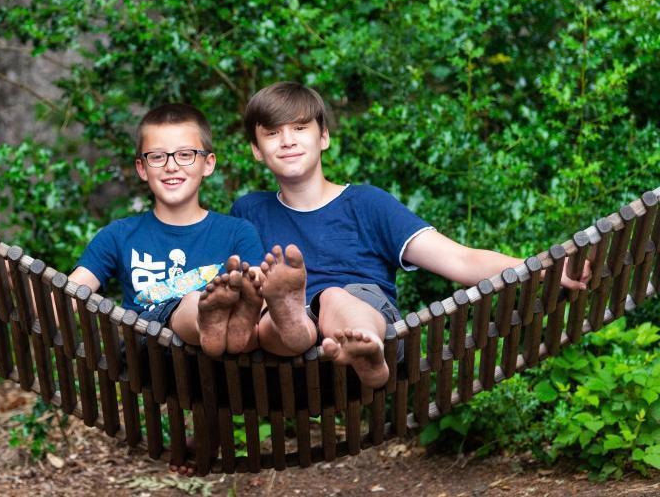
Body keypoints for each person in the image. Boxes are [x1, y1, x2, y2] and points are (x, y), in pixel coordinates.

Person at [231, 81, 590, 388]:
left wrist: (546, 268)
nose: (287, 141)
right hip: (291, 347)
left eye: (299, 128)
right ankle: (293, 314)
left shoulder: (367, 204)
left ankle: (365, 347)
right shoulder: (250, 211)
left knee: (334, 298)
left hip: (362, 314)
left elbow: (459, 258)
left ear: (323, 137)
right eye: (273, 133)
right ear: (256, 150)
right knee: (276, 313)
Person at [69, 103, 265, 357]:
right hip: (153, 353)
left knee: (211, 302)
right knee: (193, 301)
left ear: (208, 164)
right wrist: (17, 286)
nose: (171, 166)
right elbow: (67, 296)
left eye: (185, 154)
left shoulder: (238, 232)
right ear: (142, 167)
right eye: (158, 156)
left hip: (222, 364)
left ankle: (215, 320)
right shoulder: (118, 235)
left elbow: (258, 298)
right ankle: (206, 318)